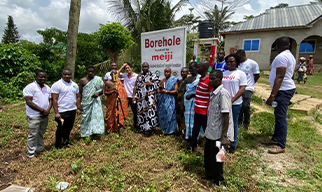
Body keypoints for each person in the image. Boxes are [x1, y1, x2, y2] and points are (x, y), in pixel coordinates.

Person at [264, 37, 296, 154]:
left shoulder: (282, 57)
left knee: (281, 117)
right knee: (278, 115)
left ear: (277, 46)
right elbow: (292, 73)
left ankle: (281, 145)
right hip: (286, 89)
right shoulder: (290, 56)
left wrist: (272, 95)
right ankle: (275, 138)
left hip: (283, 90)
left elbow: (280, 76)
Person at [204, 70, 234, 187]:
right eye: (209, 79)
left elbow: (226, 115)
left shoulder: (223, 94)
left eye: (213, 79)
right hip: (211, 130)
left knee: (218, 158)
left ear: (220, 79)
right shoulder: (213, 93)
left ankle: (219, 181)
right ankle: (209, 175)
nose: (210, 81)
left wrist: (224, 137)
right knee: (209, 156)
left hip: (219, 133)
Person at [23, 70, 52, 159]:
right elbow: (29, 102)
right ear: (36, 77)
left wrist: (47, 110)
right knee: (33, 134)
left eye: (44, 77)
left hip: (45, 115)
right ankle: (31, 154)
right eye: (40, 76)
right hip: (34, 115)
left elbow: (50, 100)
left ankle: (39, 149)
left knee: (41, 132)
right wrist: (42, 110)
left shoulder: (47, 88)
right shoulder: (30, 87)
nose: (43, 78)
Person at [222, 54, 247, 153]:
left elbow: (242, 88)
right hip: (224, 102)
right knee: (223, 123)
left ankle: (233, 143)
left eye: (232, 61)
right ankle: (223, 142)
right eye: (227, 62)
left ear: (236, 62)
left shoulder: (240, 74)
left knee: (233, 123)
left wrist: (232, 100)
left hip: (235, 103)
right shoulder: (224, 73)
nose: (229, 63)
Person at [51, 69, 82, 149]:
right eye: (65, 74)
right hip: (62, 110)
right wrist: (56, 112)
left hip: (72, 110)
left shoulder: (74, 85)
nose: (67, 76)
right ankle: (58, 145)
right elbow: (54, 100)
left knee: (69, 127)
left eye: (69, 74)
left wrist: (78, 107)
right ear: (62, 74)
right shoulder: (57, 85)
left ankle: (66, 142)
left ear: (71, 75)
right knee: (61, 128)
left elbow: (78, 97)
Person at [187, 61, 212, 151]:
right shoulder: (200, 79)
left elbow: (211, 96)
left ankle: (210, 147)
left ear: (204, 69)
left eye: (199, 67)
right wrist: (193, 95)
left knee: (207, 130)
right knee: (195, 129)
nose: (197, 69)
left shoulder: (209, 80)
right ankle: (192, 145)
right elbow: (200, 93)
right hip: (197, 109)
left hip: (204, 111)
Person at [133, 62, 160, 135]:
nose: (144, 68)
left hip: (149, 98)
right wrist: (134, 96)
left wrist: (151, 84)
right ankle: (142, 128)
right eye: (143, 67)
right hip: (141, 99)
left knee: (150, 113)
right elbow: (137, 86)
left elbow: (157, 84)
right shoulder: (139, 76)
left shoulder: (153, 75)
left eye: (146, 67)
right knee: (141, 113)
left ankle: (150, 129)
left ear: (148, 67)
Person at [236, 49, 260, 130]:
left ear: (244, 56)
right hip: (238, 88)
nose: (238, 59)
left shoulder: (252, 63)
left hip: (248, 88)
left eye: (239, 57)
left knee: (246, 106)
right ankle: (239, 122)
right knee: (239, 105)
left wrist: (252, 84)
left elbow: (257, 75)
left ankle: (246, 123)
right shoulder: (237, 64)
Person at [79, 66, 105, 137]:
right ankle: (85, 134)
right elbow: (80, 94)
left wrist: (98, 93)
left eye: (92, 72)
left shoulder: (98, 79)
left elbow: (103, 90)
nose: (90, 73)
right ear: (87, 72)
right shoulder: (82, 81)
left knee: (95, 117)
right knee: (85, 118)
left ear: (94, 72)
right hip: (86, 102)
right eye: (89, 71)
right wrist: (79, 105)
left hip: (95, 101)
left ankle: (95, 132)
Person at [104, 69, 128, 133]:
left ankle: (117, 127)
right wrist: (113, 91)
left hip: (118, 102)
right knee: (110, 114)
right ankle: (110, 128)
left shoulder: (119, 83)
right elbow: (105, 93)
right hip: (111, 102)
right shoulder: (107, 83)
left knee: (118, 113)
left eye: (116, 74)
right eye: (113, 74)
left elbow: (123, 93)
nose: (115, 75)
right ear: (111, 75)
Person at [184, 62, 203, 140]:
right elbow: (184, 92)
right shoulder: (188, 79)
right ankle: (188, 135)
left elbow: (202, 92)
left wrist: (192, 95)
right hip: (187, 103)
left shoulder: (200, 78)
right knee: (187, 119)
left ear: (197, 68)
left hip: (197, 102)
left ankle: (197, 136)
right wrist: (182, 104)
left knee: (195, 120)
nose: (191, 70)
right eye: (190, 68)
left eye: (192, 68)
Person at [116, 62, 138, 129]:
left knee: (135, 112)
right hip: (125, 97)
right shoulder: (125, 75)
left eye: (128, 68)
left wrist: (134, 96)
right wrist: (122, 66)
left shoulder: (136, 76)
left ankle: (136, 125)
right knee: (122, 111)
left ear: (132, 68)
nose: (127, 69)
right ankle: (121, 125)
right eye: (126, 68)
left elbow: (137, 86)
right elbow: (116, 75)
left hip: (133, 97)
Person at [158, 67, 178, 135]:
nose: (167, 73)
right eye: (165, 72)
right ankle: (164, 129)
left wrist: (166, 91)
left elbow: (176, 91)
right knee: (163, 114)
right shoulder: (162, 80)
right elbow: (159, 90)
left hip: (170, 99)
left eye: (168, 72)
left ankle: (171, 131)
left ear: (171, 72)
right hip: (163, 99)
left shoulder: (174, 80)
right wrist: (160, 90)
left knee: (170, 114)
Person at [176, 67, 189, 135]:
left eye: (184, 72)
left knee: (184, 117)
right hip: (177, 102)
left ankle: (185, 132)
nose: (183, 73)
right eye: (181, 72)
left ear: (187, 72)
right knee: (178, 116)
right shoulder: (179, 81)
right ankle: (180, 130)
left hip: (184, 102)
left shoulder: (188, 81)